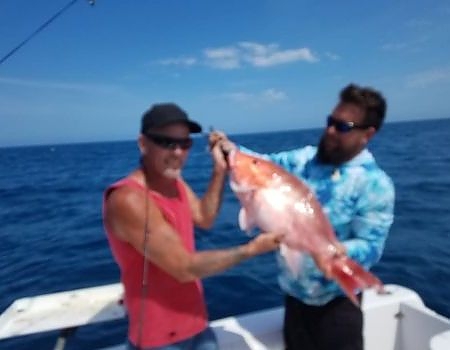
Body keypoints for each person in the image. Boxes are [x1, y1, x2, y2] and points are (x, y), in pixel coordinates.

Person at [210, 83, 395, 350]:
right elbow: (261, 165)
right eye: (331, 121)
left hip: (337, 308)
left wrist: (334, 254)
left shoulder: (376, 184)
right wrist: (229, 148)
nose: (330, 131)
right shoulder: (304, 160)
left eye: (342, 127)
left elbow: (371, 246)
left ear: (367, 134)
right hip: (294, 299)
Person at [103, 103, 283, 350]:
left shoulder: (174, 183)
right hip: (159, 341)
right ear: (142, 143)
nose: (177, 152)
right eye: (166, 142)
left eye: (184, 144)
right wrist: (250, 250)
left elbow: (204, 217)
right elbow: (183, 268)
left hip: (198, 327)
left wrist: (219, 170)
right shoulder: (129, 199)